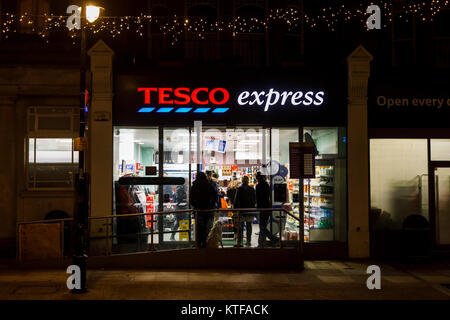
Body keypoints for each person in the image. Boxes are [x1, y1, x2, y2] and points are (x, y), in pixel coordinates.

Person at [189, 172, 218, 248]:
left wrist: (195, 206)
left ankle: (198, 243)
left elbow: (191, 199)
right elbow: (215, 196)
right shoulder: (209, 185)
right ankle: (205, 242)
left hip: (198, 211)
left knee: (198, 228)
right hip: (207, 211)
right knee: (206, 227)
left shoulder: (194, 186)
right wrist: (211, 205)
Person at [255, 172, 279, 248]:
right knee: (262, 227)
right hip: (267, 207)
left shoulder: (258, 186)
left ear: (257, 178)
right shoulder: (267, 185)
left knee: (262, 227)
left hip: (262, 208)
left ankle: (274, 239)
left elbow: (258, 198)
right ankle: (261, 244)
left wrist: (257, 206)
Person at [233, 175, 256, 247]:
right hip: (250, 210)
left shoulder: (239, 189)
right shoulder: (251, 189)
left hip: (241, 210)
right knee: (249, 226)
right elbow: (254, 200)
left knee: (240, 226)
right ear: (248, 180)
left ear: (242, 181)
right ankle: (248, 241)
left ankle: (240, 242)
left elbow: (236, 200)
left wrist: (235, 209)